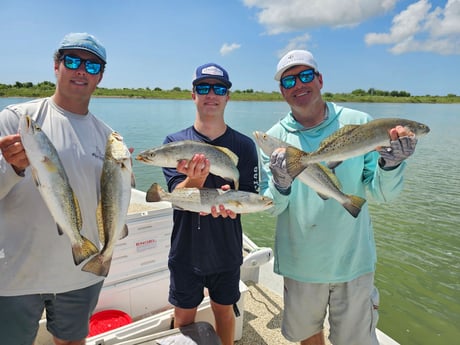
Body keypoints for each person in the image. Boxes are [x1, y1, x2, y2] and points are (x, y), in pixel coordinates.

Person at [259, 50, 420, 345]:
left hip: (353, 261)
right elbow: (272, 206)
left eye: (305, 75)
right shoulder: (273, 140)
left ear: (320, 79)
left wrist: (392, 164)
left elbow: (381, 194)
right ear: (281, 91)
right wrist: (281, 185)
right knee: (308, 337)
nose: (298, 85)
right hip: (301, 262)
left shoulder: (361, 122)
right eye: (288, 80)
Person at [0, 33, 114, 345]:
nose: (81, 71)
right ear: (56, 65)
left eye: (92, 66)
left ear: (100, 76)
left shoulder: (107, 137)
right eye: (73, 61)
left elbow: (110, 203)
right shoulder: (15, 119)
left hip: (80, 271)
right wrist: (11, 167)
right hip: (16, 273)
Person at [161, 63, 259, 345]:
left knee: (225, 312)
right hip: (186, 249)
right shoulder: (175, 143)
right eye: (203, 88)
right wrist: (194, 181)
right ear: (193, 94)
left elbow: (250, 193)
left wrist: (234, 202)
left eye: (219, 88)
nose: (211, 94)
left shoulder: (244, 146)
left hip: (227, 249)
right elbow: (175, 196)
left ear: (228, 96)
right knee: (183, 317)